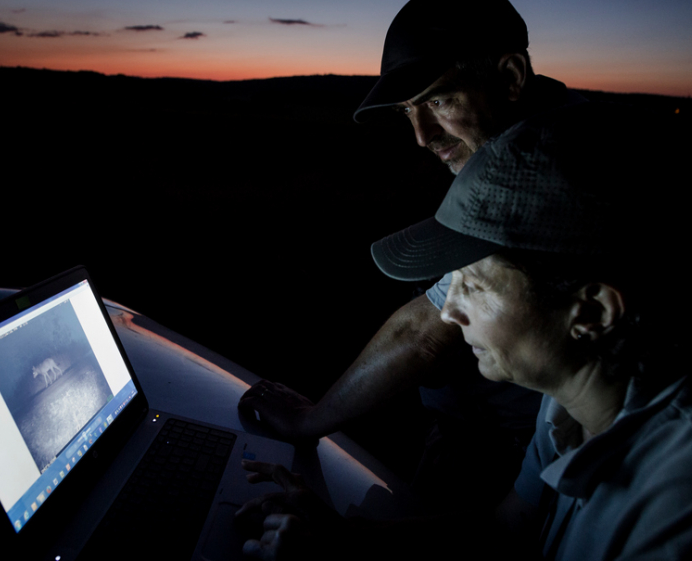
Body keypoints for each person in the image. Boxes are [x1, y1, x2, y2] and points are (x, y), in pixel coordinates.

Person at [236, 102, 690, 560]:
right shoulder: (565, 407)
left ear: (591, 313)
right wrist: (347, 540)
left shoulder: (672, 508)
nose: (449, 312)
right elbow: (507, 529)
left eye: (474, 285)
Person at [239, 0, 583, 509]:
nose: (421, 134)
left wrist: (312, 420)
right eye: (406, 111)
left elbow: (428, 332)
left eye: (438, 99)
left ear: (511, 76)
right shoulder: (517, 146)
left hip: (502, 454)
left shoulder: (542, 179)